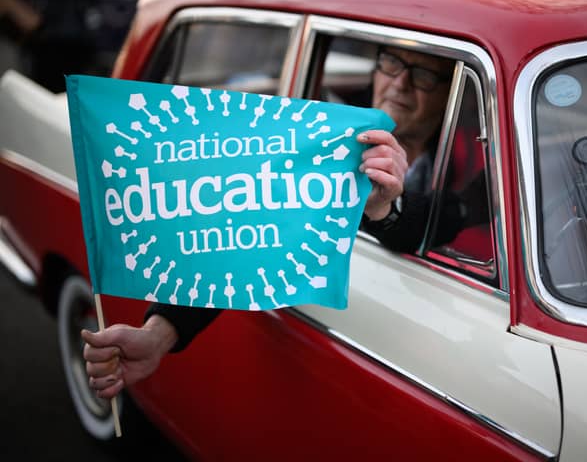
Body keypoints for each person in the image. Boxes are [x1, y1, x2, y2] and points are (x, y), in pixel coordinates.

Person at [82, 46, 472, 399]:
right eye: (391, 61)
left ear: (452, 92)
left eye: (423, 74)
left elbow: (451, 215)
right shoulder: (319, 135)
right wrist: (157, 335)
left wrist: (386, 207)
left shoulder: (476, 154)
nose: (399, 82)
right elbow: (238, 237)